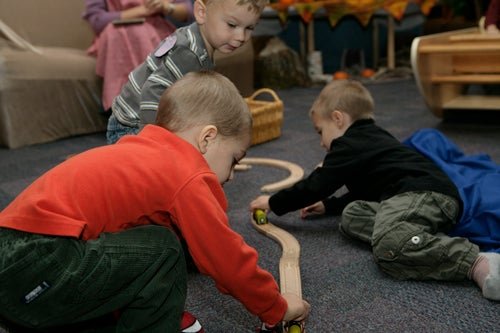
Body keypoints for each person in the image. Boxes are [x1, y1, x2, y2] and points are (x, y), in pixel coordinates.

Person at [0, 71, 310, 333]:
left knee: (150, 243)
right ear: (207, 139)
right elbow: (225, 257)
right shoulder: (186, 173)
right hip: (38, 268)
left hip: (16, 264)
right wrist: (276, 307)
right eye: (233, 159)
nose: (230, 176)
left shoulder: (143, 153)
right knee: (163, 248)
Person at [250, 79, 500, 302]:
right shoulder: (370, 138)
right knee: (352, 214)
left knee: (389, 246)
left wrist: (274, 202)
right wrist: (330, 206)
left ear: (338, 118)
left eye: (320, 131)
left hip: (423, 195)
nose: (321, 142)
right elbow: (367, 190)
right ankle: (416, 237)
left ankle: (477, 262)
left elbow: (317, 183)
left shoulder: (348, 144)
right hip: (414, 197)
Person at [106, 0, 267, 144]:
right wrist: (151, 141)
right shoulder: (189, 53)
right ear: (201, 13)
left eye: (249, 28)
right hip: (131, 127)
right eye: (232, 25)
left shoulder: (198, 42)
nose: (241, 36)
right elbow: (152, 90)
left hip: (142, 119)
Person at [83, 0, 193, 112]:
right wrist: (142, 11)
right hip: (116, 32)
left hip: (154, 32)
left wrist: (166, 7)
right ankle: (132, 106)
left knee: (141, 34)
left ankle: (135, 106)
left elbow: (187, 11)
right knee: (130, 33)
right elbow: (97, 21)